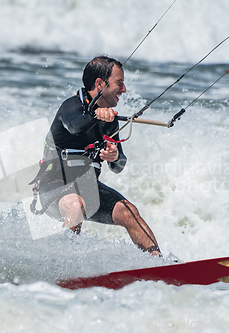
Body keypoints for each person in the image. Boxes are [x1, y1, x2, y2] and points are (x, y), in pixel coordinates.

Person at [32, 56, 161, 256]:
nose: (124, 89)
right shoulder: (71, 106)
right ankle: (66, 266)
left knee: (129, 211)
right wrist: (94, 116)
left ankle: (158, 265)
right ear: (100, 84)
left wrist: (115, 155)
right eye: (119, 83)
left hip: (88, 188)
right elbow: (75, 127)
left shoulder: (111, 122)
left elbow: (119, 166)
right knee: (76, 204)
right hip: (54, 187)